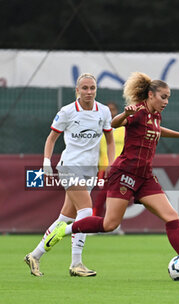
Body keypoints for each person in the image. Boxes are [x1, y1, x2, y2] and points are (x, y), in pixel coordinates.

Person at [43, 72, 179, 278]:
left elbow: (157, 129)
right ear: (150, 95)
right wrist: (126, 114)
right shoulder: (137, 111)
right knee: (109, 224)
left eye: (168, 97)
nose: (166, 101)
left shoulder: (155, 115)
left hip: (145, 177)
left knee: (172, 217)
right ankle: (63, 231)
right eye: (164, 97)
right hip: (124, 173)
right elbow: (114, 124)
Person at [24, 73, 115, 277]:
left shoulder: (104, 111)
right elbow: (51, 139)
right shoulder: (66, 112)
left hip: (90, 169)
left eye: (92, 88)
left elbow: (110, 140)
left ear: (96, 89)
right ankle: (76, 263)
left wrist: (111, 163)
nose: (89, 92)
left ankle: (34, 255)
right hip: (69, 166)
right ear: (77, 90)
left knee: (66, 217)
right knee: (86, 211)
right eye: (84, 88)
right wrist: (47, 162)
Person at [93, 102, 125, 234]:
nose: (111, 112)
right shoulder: (99, 128)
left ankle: (114, 225)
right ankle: (94, 224)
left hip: (121, 168)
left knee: (120, 197)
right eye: (109, 110)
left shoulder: (124, 129)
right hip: (104, 169)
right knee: (102, 197)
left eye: (113, 109)